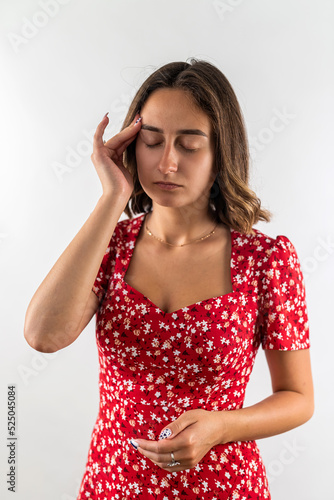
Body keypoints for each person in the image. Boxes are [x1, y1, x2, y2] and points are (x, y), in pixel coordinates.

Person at [24, 59, 314, 499]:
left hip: (224, 487)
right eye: (152, 141)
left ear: (221, 152)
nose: (167, 163)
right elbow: (42, 336)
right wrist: (112, 199)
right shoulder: (111, 245)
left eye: (190, 145)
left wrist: (221, 426)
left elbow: (298, 397)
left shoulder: (266, 259)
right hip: (113, 484)